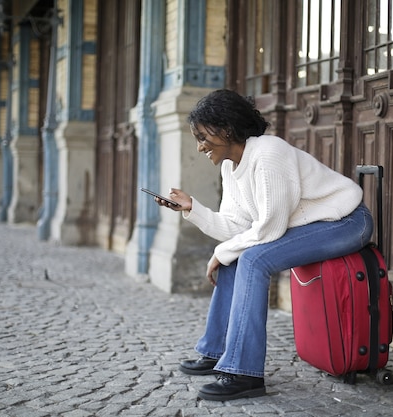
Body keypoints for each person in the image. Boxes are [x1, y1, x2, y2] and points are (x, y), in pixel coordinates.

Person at [153, 89, 373, 401]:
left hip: (346, 221)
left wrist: (221, 252)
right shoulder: (231, 165)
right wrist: (193, 209)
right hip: (314, 226)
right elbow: (238, 227)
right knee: (236, 256)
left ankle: (245, 374)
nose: (200, 146)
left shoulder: (269, 153)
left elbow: (269, 228)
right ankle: (216, 351)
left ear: (227, 129)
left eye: (203, 136)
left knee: (253, 259)